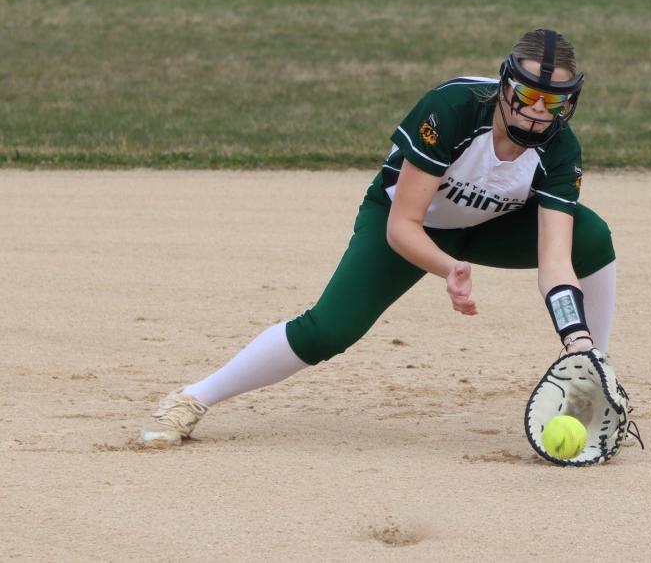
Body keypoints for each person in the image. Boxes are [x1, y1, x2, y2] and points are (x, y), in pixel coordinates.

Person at [139, 29, 619, 447]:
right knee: (329, 329)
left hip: (492, 228)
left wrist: (575, 340)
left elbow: (556, 261)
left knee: (591, 237)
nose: (538, 110)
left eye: (553, 101)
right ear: (504, 84)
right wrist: (447, 268)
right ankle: (192, 398)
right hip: (412, 226)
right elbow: (402, 225)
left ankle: (588, 381)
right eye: (527, 93)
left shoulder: (560, 148)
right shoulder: (452, 109)